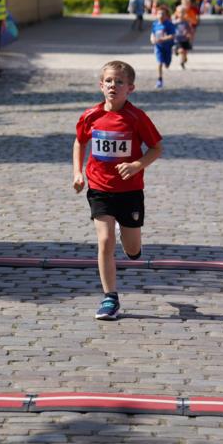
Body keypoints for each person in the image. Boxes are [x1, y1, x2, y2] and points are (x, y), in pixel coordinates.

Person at [72, 60, 162, 320]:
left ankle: (127, 234)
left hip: (130, 190)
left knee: (133, 251)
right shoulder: (91, 115)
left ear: (130, 88)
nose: (114, 86)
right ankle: (110, 298)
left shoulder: (137, 117)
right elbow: (79, 142)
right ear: (101, 85)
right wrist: (77, 173)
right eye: (109, 81)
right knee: (104, 240)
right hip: (99, 186)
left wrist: (137, 164)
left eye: (119, 82)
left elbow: (156, 148)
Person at [149, 4, 175, 89]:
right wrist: (152, 39)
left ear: (167, 16)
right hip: (158, 47)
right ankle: (160, 80)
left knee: (167, 64)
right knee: (160, 63)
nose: (161, 16)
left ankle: (167, 62)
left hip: (167, 47)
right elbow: (153, 33)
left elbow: (172, 36)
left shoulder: (169, 24)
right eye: (159, 13)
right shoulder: (155, 24)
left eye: (163, 14)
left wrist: (163, 39)